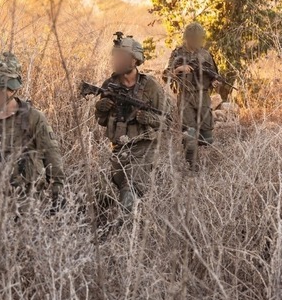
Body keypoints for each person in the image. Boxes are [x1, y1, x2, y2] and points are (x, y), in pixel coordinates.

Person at [0, 52, 65, 213]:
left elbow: (52, 157)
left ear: (9, 91)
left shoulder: (33, 118)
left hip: (30, 201)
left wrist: (57, 195)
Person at [94, 34, 171, 213]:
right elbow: (102, 121)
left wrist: (149, 119)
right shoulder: (109, 85)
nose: (116, 60)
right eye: (116, 56)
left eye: (122, 57)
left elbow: (167, 122)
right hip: (118, 148)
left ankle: (128, 237)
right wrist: (100, 108)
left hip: (144, 148)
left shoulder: (151, 86)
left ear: (134, 61)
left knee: (129, 195)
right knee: (104, 195)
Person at [163, 22, 220, 166]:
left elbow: (214, 75)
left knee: (207, 137)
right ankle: (192, 165)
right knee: (189, 134)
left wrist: (214, 82)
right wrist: (179, 69)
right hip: (185, 96)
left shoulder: (205, 54)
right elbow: (166, 75)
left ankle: (204, 163)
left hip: (203, 96)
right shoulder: (177, 53)